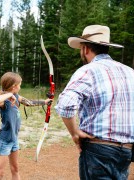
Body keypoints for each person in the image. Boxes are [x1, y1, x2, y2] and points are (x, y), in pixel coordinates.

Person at [56, 25, 134, 179]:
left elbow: (66, 105)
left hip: (98, 151)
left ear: (85, 49)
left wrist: (75, 133)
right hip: (127, 151)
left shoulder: (88, 70)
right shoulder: (130, 72)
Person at [0, 72, 52, 180]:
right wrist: (10, 95)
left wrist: (45, 102)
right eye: (19, 85)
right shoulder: (4, 100)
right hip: (5, 140)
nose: (20, 87)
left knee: (15, 170)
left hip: (14, 139)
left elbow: (28, 102)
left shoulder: (16, 96)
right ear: (13, 86)